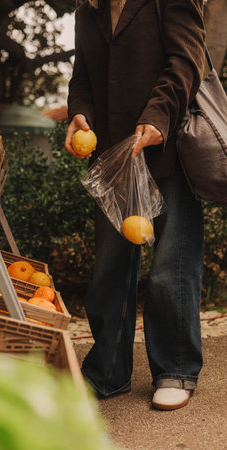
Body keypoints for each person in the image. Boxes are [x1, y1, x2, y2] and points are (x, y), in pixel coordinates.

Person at [65, 0, 206, 410]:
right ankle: (106, 373)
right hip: (113, 155)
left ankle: (176, 369)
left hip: (169, 149)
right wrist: (80, 114)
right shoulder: (87, 8)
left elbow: (187, 62)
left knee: (170, 267)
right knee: (110, 270)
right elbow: (82, 79)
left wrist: (158, 117)